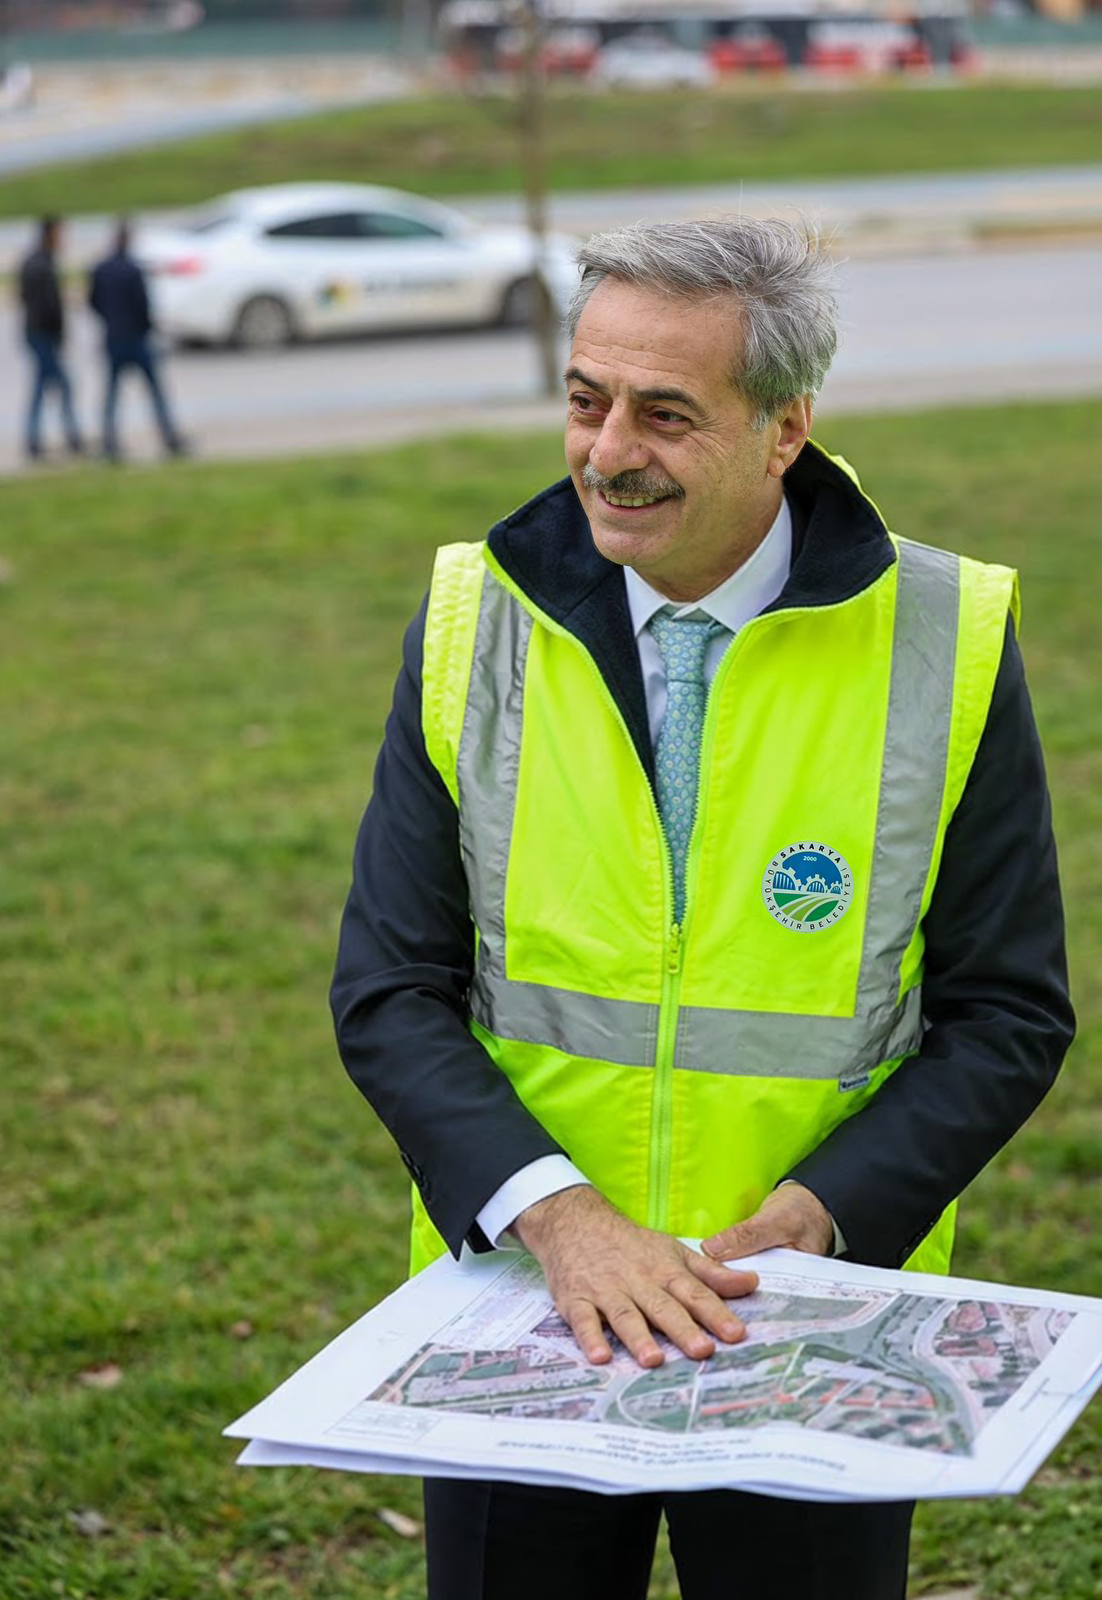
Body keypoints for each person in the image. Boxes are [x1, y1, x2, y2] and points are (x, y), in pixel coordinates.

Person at [330, 218, 1074, 1600]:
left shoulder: (944, 635)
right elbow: (387, 989)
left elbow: (1006, 1012)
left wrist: (823, 1214)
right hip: (518, 1304)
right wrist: (557, 1220)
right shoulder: (470, 616)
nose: (607, 450)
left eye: (665, 414)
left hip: (802, 1315)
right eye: (583, 398)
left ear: (785, 427)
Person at [88, 220, 186, 462]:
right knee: (155, 392)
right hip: (136, 338)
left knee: (112, 395)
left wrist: (110, 321)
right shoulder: (132, 270)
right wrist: (146, 328)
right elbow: (142, 306)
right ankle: (169, 438)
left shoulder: (101, 268)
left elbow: (93, 302)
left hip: (113, 338)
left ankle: (110, 442)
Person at [18, 215, 84, 462]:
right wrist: (59, 334)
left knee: (42, 387)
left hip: (36, 334)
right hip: (43, 335)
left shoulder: (34, 262)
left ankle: (35, 440)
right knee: (61, 387)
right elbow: (48, 306)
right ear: (50, 234)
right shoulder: (42, 265)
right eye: (60, 233)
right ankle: (70, 437)